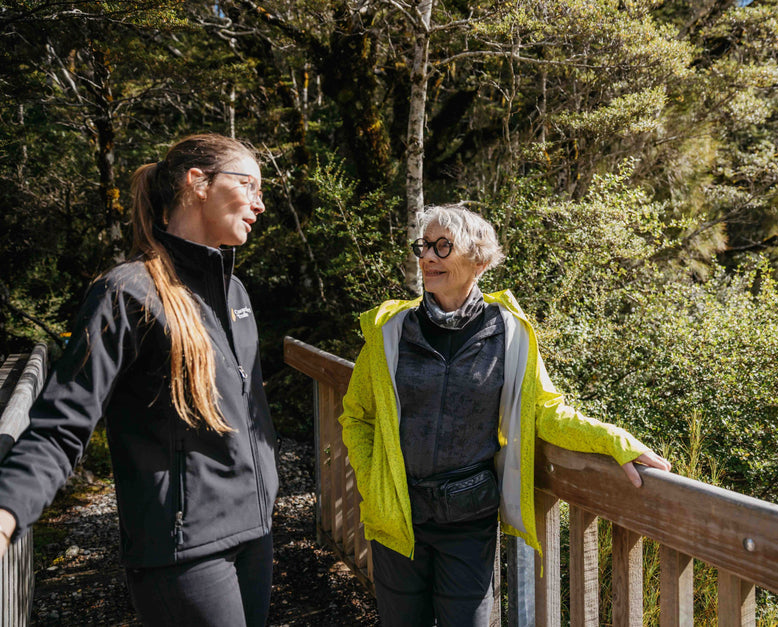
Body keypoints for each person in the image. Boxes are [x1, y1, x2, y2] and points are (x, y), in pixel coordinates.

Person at [339, 204, 672, 627]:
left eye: (443, 246)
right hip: (398, 514)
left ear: (478, 259)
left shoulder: (510, 333)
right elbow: (358, 416)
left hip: (468, 519)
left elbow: (547, 412)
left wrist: (615, 441)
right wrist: (372, 482)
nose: (428, 257)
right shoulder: (390, 330)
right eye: (424, 246)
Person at [0, 134, 278, 627]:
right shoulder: (127, 293)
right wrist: (7, 510)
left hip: (254, 534)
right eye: (248, 185)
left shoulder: (234, 291)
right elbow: (63, 421)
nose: (260, 203)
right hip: (184, 552)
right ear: (198, 183)